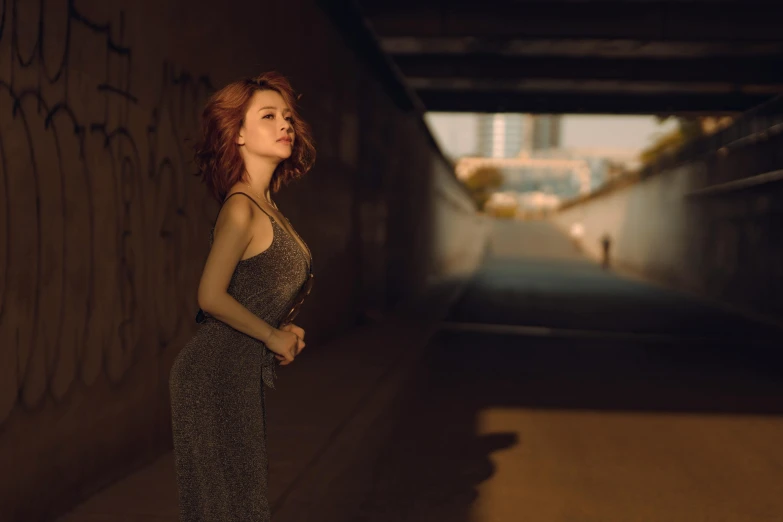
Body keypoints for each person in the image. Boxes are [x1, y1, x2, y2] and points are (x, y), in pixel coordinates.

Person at [169, 71, 316, 521]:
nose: (284, 125)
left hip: (236, 376)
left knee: (241, 508)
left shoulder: (267, 205)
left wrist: (280, 324)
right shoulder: (241, 207)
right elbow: (210, 296)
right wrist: (271, 336)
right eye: (268, 116)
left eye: (287, 117)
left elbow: (250, 291)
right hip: (210, 379)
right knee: (228, 510)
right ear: (237, 135)